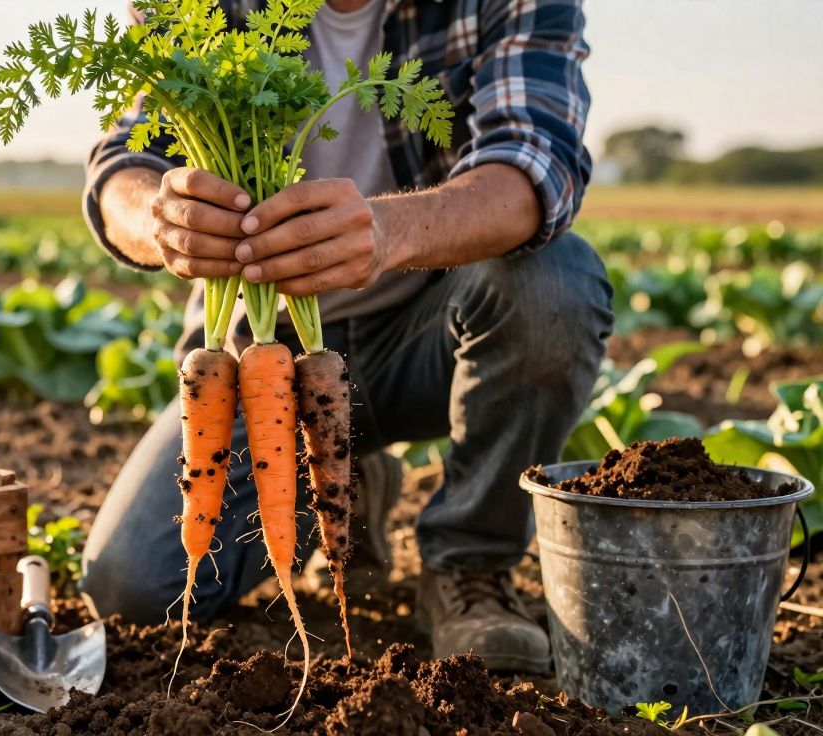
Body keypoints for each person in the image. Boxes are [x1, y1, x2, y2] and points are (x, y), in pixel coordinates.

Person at [78, 0, 610, 674]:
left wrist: (390, 233)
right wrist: (159, 217)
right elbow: (123, 162)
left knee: (555, 287)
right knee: (131, 587)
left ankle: (470, 568)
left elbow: (534, 165)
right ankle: (346, 485)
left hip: (432, 332)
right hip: (262, 355)